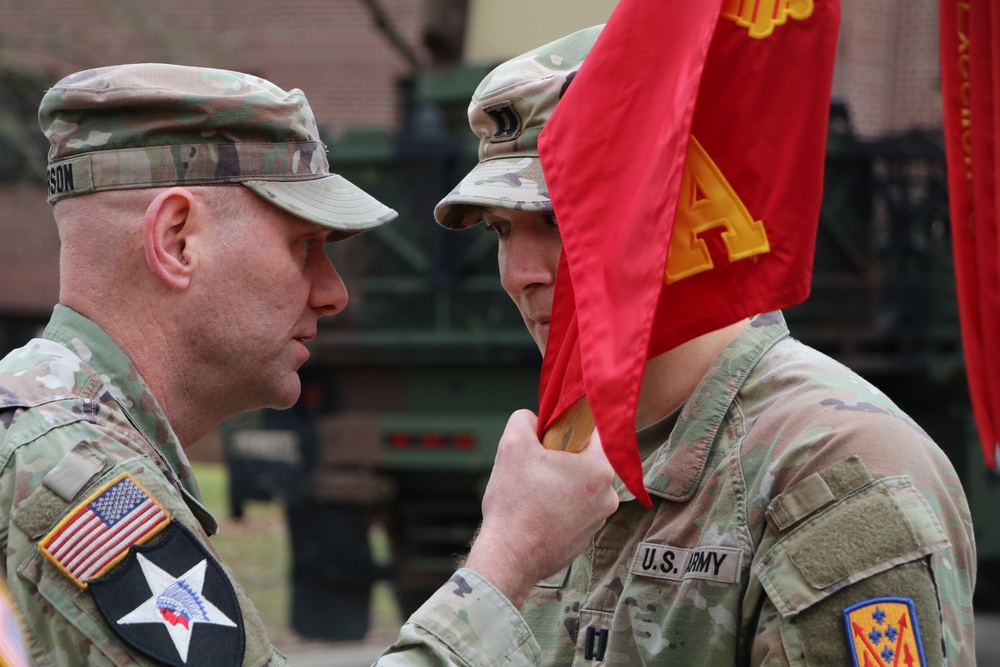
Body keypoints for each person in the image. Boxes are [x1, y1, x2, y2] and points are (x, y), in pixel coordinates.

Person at [0, 64, 618, 666]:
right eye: (305, 246)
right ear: (177, 240)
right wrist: (506, 565)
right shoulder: (76, 487)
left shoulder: (41, 433)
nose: (333, 292)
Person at [405, 24, 978, 666]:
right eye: (501, 229)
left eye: (562, 220)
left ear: (684, 210)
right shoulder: (564, 457)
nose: (518, 272)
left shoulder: (834, 473)